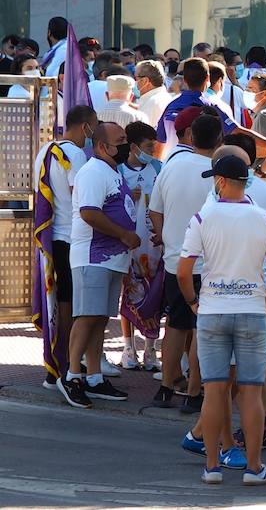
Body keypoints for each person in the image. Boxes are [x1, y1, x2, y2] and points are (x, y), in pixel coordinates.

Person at [178, 153, 266, 485]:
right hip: (251, 309)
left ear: (221, 182)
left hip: (212, 310)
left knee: (214, 391)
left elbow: (184, 271)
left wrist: (195, 303)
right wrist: (265, 308)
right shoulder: (265, 218)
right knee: (251, 393)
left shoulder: (203, 218)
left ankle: (212, 466)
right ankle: (254, 468)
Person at [58, 122, 140, 409]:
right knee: (88, 315)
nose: (127, 145)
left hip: (112, 258)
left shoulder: (111, 170)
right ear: (103, 146)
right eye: (121, 141)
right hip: (93, 256)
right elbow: (90, 212)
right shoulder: (93, 172)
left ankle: (93, 376)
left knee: (100, 318)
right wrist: (123, 234)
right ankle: (71, 375)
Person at [148, 113, 222, 409]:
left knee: (175, 325)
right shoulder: (218, 174)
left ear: (190, 136)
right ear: (218, 140)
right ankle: (194, 392)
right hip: (209, 262)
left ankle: (165, 387)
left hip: (175, 261)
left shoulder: (171, 167)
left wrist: (168, 237)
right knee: (201, 326)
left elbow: (155, 210)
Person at [33, 106, 97, 387]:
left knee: (58, 304)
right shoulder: (76, 154)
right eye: (93, 127)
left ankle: (56, 364)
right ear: (85, 127)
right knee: (73, 307)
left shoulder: (45, 149)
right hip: (74, 238)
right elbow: (79, 195)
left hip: (53, 239)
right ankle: (69, 363)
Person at [118, 121, 163, 371]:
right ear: (134, 147)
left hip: (153, 244)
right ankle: (128, 347)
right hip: (128, 243)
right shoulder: (119, 171)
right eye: (148, 146)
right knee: (129, 293)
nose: (153, 150)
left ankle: (151, 349)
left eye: (154, 145)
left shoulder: (159, 168)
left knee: (154, 294)